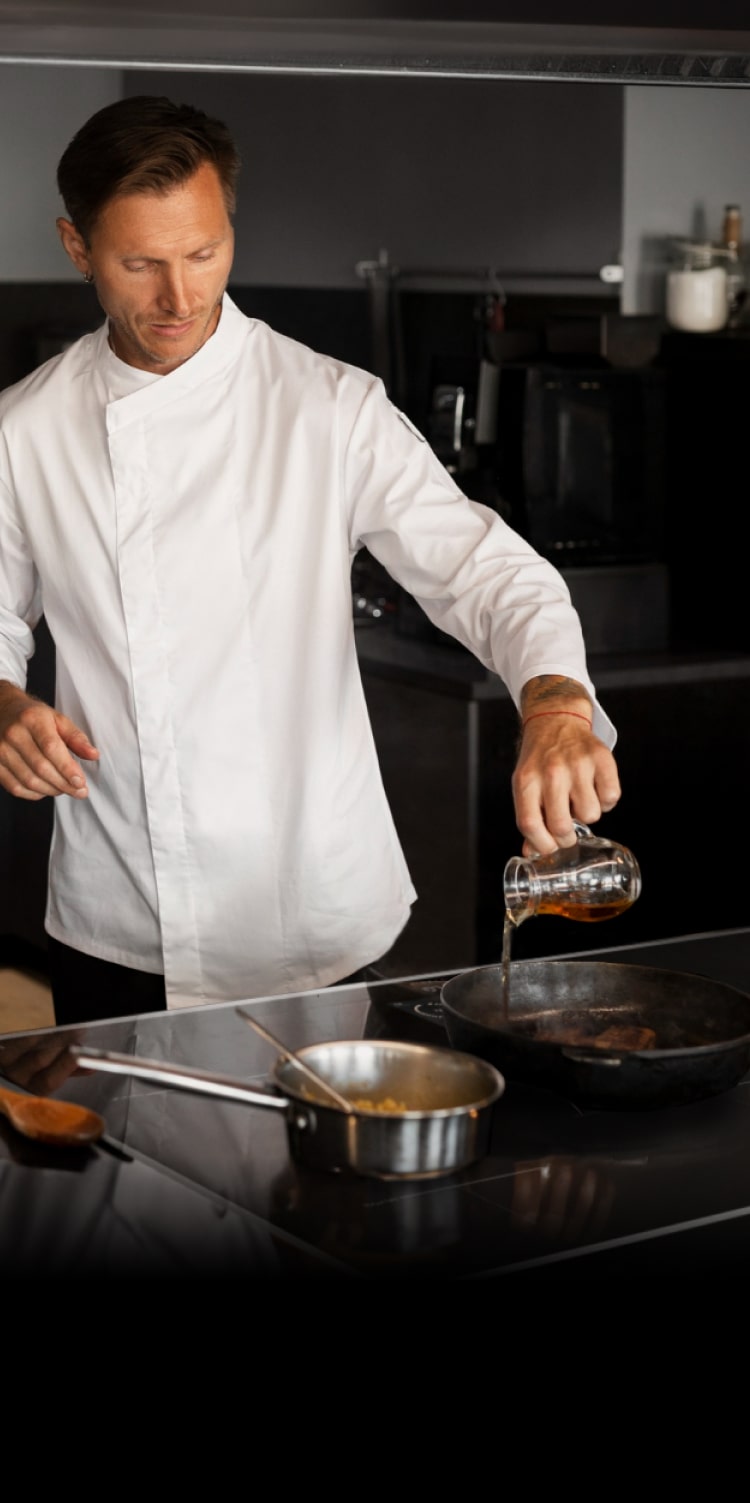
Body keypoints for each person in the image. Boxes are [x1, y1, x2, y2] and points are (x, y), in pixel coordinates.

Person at [0, 95, 621, 1026]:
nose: (180, 296)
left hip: (311, 910)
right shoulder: (26, 428)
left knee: (321, 1166)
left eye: (204, 254)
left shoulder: (329, 406)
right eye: (141, 263)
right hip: (120, 911)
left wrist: (557, 701)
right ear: (76, 246)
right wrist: (5, 703)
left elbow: (483, 568)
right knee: (118, 1173)